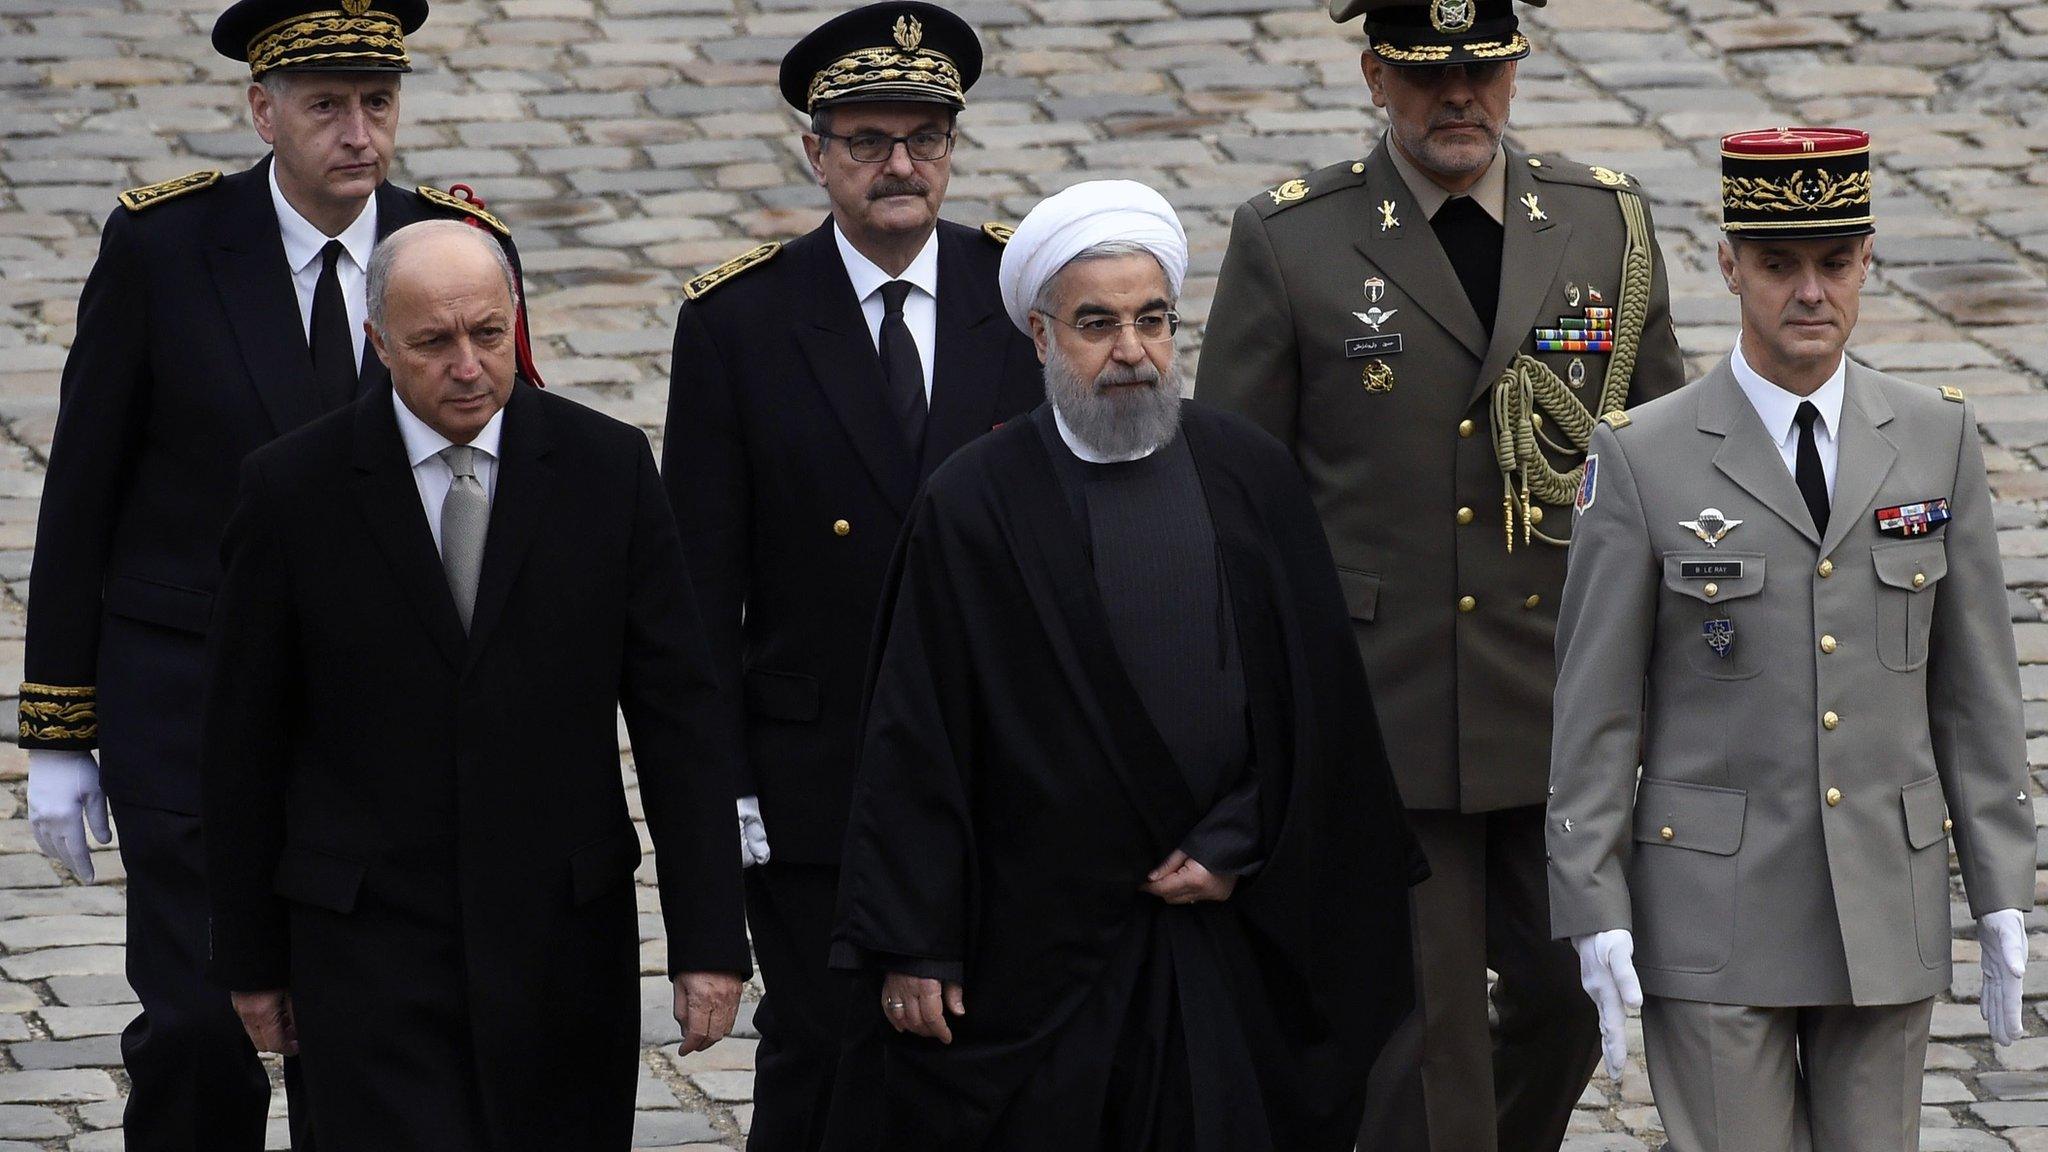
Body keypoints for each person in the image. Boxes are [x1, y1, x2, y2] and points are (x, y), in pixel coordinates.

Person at [17, 2, 541, 1147]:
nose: (359, 133)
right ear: (263, 112)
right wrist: (59, 723)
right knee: (203, 1022)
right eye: (326, 108)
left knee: (357, 1034)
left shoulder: (450, 248)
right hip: (188, 702)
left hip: (377, 724)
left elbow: (513, 483)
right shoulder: (164, 247)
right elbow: (84, 488)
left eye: (377, 104)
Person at [818, 180, 1419, 1152]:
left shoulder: (1249, 474)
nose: (1131, 352)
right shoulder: (972, 505)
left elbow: (1319, 708)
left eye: (1151, 320)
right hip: (1041, 952)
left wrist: (1240, 836)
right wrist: (912, 941)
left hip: (1226, 936)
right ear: (1041, 338)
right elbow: (916, 734)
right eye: (1096, 324)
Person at [1194, 2, 1688, 1148]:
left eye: (1481, 68)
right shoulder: (1293, 241)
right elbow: (1233, 496)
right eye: (1425, 75)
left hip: (1555, 698)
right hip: (1384, 704)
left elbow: (1661, 454)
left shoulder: (1600, 221)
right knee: (1425, 1039)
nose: (1456, 96)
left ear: (1514, 71)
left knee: (1568, 1003)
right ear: (1375, 75)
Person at [200, 221, 748, 1151]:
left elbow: (679, 720)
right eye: (434, 341)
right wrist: (252, 962)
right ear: (378, 342)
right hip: (364, 949)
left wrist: (707, 944)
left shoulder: (606, 470)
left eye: (488, 334)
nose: (467, 365)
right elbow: (242, 742)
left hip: (560, 948)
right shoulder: (294, 491)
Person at [1548, 127, 2035, 1152]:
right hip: (1713, 911)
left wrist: (1999, 890)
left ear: (1866, 263)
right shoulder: (1643, 459)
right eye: (1776, 265)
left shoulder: (1932, 438)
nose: (1807, 293)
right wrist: (1592, 903)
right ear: (1727, 266)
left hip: (1882, 901)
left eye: (1832, 263)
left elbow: (1974, 694)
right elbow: (1596, 712)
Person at [660, 5, 1043, 1148]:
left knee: (987, 1055)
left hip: (994, 764)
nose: (899, 165)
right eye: (867, 140)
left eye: (924, 137)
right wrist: (717, 787)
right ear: (813, 151)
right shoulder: (738, 321)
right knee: (827, 1056)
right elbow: (697, 588)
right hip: (813, 773)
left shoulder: (1016, 295)